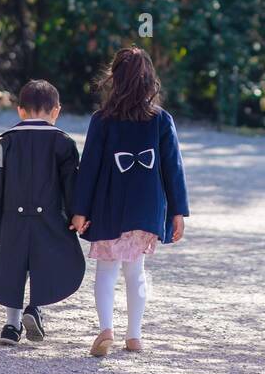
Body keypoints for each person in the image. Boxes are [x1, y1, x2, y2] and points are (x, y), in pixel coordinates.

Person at [70, 47, 189, 356]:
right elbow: (173, 168)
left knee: (107, 270)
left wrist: (80, 210)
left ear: (115, 80)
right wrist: (178, 211)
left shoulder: (102, 120)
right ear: (150, 80)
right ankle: (134, 335)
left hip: (109, 206)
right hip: (145, 208)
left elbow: (90, 167)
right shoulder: (161, 120)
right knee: (135, 271)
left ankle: (106, 329)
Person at [0, 79, 85, 345]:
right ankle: (36, 307)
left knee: (12, 269)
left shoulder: (3, 143)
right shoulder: (63, 143)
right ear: (56, 111)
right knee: (51, 263)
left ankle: (11, 326)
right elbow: (71, 183)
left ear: (20, 110)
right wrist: (78, 213)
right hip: (50, 218)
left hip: (11, 218)